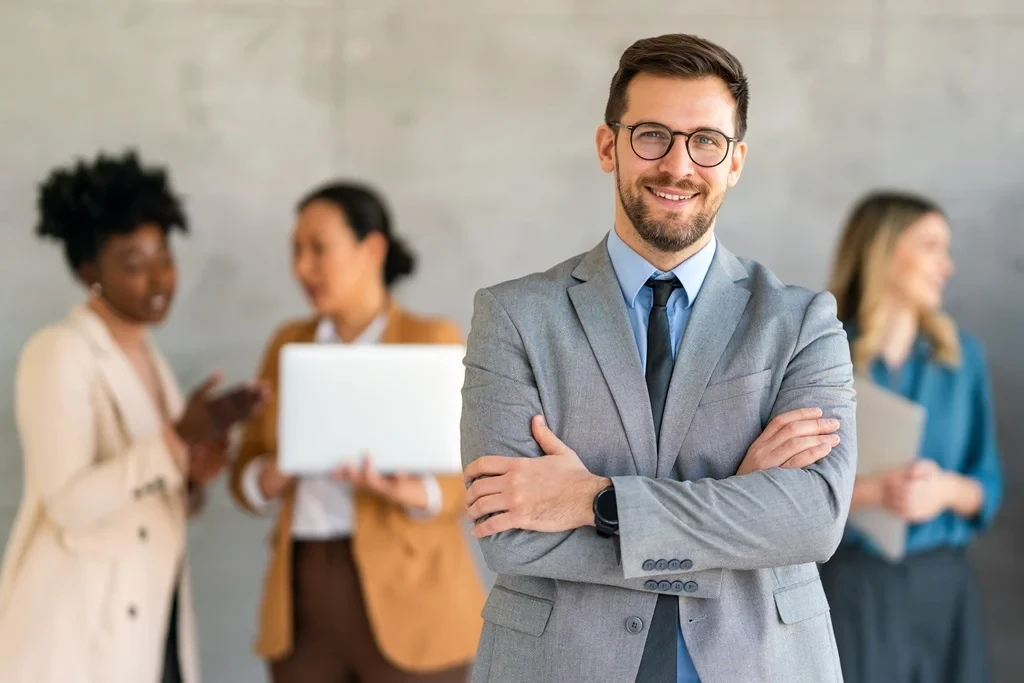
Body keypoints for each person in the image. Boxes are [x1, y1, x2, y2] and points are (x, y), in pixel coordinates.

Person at [460, 33, 857, 683]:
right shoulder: (513, 316)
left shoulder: (801, 321)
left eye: (705, 140)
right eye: (652, 135)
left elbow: (811, 519)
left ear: (735, 161)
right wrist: (740, 502)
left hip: (758, 659)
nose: (678, 165)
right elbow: (509, 530)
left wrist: (597, 501)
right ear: (607, 145)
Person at [0, 150, 265, 683]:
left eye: (164, 256)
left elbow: (143, 500)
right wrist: (174, 442)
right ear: (89, 271)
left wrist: (192, 475)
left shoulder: (147, 358)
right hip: (78, 631)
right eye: (133, 264)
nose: (159, 278)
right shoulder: (58, 352)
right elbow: (70, 504)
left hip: (148, 619)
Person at [228, 181, 484, 683]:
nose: (301, 267)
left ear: (372, 249)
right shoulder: (287, 343)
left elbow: (471, 475)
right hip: (302, 599)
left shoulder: (430, 340)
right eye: (296, 251)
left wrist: (405, 488)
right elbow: (246, 471)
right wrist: (276, 473)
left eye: (318, 249)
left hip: (413, 599)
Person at [818, 191, 1003, 683]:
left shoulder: (963, 359)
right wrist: (878, 493)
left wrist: (943, 489)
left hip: (943, 589)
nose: (947, 265)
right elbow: (787, 488)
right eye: (931, 246)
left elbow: (988, 484)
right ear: (885, 252)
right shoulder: (821, 355)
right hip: (852, 589)